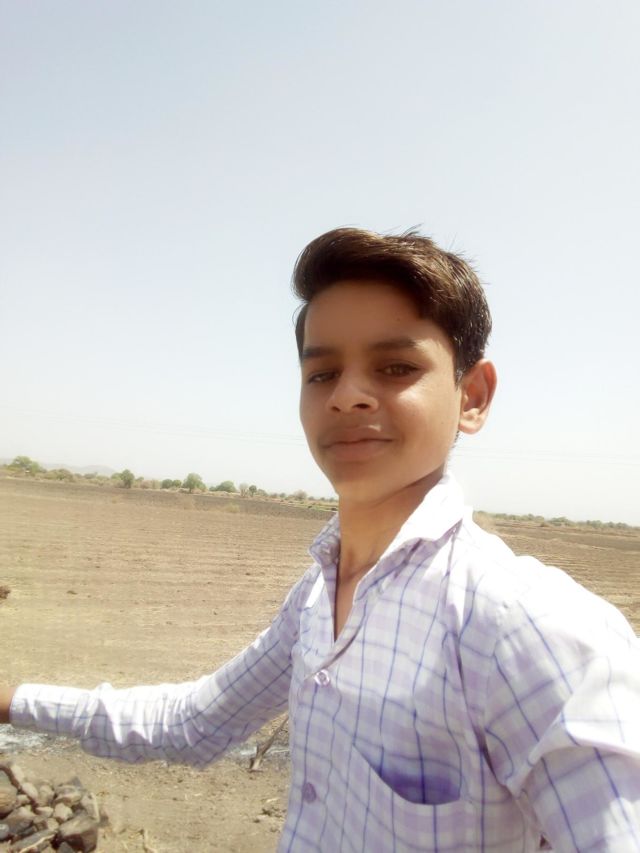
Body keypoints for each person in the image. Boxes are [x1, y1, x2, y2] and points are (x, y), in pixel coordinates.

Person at [1, 227, 639, 852]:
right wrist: (13, 701)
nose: (347, 396)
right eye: (322, 373)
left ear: (471, 397)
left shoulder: (529, 628)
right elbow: (195, 721)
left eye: (396, 367)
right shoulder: (318, 597)